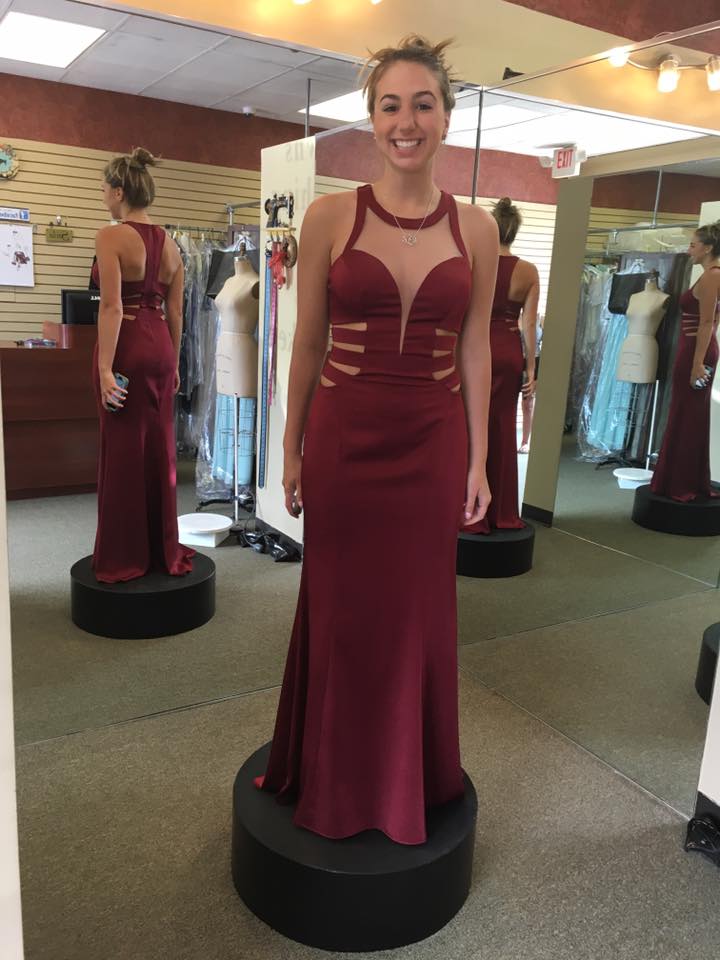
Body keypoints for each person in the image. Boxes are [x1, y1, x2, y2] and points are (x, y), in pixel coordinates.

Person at [256, 36, 498, 845]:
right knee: (343, 611)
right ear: (371, 118)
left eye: (422, 103)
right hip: (344, 442)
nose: (406, 121)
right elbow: (306, 343)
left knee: (415, 612)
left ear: (445, 116)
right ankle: (331, 771)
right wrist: (287, 449)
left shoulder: (479, 230)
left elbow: (474, 349)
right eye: (390, 105)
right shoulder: (330, 215)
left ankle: (407, 779)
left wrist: (480, 461)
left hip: (429, 445)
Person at [92, 147, 194, 582]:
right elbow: (177, 314)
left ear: (119, 191)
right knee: (159, 449)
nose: (102, 195)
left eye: (104, 188)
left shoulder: (111, 237)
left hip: (128, 343)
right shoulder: (172, 246)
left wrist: (102, 368)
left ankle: (125, 555)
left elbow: (112, 307)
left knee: (123, 451)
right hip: (160, 348)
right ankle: (161, 549)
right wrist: (173, 366)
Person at [464, 197, 539, 533]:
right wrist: (531, 369)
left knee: (470, 424)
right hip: (509, 351)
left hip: (476, 346)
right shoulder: (528, 271)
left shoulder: (474, 263)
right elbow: (529, 326)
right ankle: (501, 512)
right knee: (504, 424)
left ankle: (467, 509)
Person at [651, 222, 720, 501]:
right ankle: (681, 481)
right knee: (687, 413)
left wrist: (697, 363)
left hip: (696, 350)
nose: (689, 250)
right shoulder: (708, 276)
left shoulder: (713, 275)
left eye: (693, 245)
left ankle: (682, 484)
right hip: (694, 347)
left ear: (708, 247)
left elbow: (707, 322)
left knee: (688, 414)